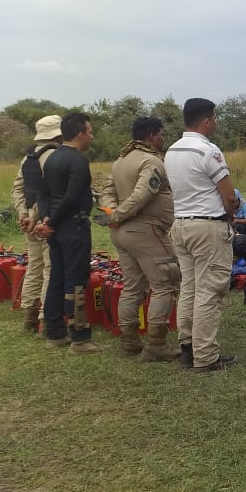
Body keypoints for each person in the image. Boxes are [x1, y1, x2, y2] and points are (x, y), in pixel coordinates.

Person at [164, 98, 239, 372]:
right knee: (210, 290)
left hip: (181, 224)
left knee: (189, 288)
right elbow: (229, 196)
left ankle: (187, 346)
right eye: (215, 118)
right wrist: (230, 215)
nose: (216, 123)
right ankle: (205, 356)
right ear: (206, 120)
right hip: (207, 227)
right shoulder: (208, 150)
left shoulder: (172, 150)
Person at [98, 116, 180, 361]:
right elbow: (143, 193)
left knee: (133, 286)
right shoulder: (151, 161)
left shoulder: (120, 160)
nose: (162, 139)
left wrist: (113, 214)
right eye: (161, 135)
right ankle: (156, 344)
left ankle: (129, 341)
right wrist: (119, 214)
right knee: (164, 283)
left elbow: (108, 192)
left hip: (123, 232)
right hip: (146, 231)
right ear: (152, 135)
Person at [32, 112, 102, 353]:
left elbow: (42, 192)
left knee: (57, 276)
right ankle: (80, 337)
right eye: (90, 131)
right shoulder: (78, 160)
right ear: (81, 134)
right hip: (74, 226)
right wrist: (52, 220)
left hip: (56, 228)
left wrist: (46, 219)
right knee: (76, 279)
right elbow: (72, 197)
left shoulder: (51, 157)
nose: (92, 136)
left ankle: (54, 332)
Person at [10, 114, 62, 336]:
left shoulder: (27, 157)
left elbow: (17, 189)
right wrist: (39, 216)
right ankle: (45, 319)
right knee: (50, 268)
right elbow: (49, 193)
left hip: (29, 218)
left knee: (34, 267)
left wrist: (24, 213)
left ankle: (29, 316)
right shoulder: (55, 156)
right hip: (46, 220)